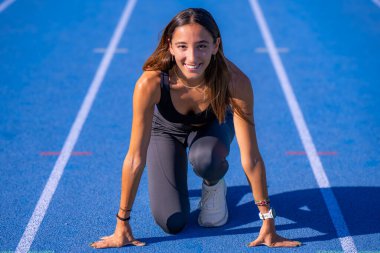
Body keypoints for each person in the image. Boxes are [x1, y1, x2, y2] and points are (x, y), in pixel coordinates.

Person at [90, 8, 301, 249]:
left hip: (215, 125)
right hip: (165, 131)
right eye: (182, 46)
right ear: (170, 46)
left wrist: (268, 221)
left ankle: (213, 183)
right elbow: (135, 157)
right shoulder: (150, 83)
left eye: (201, 45)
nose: (192, 57)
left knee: (206, 158)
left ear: (216, 45)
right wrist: (122, 223)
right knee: (172, 223)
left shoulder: (235, 82)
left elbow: (251, 158)